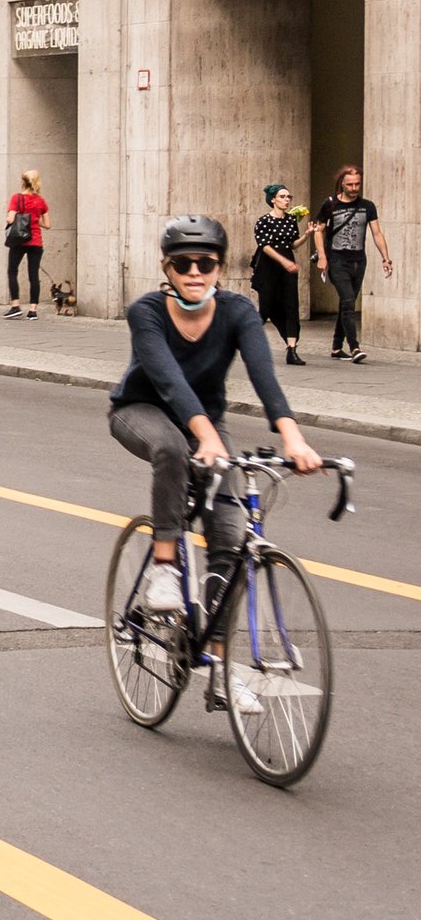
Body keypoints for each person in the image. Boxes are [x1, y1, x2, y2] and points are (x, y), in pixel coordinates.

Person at [108, 217, 320, 712]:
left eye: (206, 263)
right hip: (142, 412)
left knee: (230, 536)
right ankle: (164, 566)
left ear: (220, 269)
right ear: (168, 269)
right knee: (172, 450)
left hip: (209, 426)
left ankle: (222, 671)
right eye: (184, 264)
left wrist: (291, 435)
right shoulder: (146, 312)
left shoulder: (238, 312)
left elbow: (264, 375)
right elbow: (166, 382)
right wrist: (202, 433)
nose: (195, 272)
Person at [312, 164, 392, 363]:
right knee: (348, 301)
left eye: (357, 184)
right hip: (337, 259)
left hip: (358, 260)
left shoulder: (368, 206)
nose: (354, 188)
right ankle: (355, 347)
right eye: (350, 184)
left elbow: (377, 233)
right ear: (342, 184)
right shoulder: (330, 204)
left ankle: (336, 347)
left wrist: (385, 258)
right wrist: (322, 256)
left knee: (346, 303)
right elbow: (318, 231)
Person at [252, 183, 310, 366]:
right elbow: (265, 246)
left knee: (291, 306)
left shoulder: (291, 220)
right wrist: (284, 262)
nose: (287, 200)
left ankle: (291, 349)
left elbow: (292, 244)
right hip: (268, 266)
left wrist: (307, 236)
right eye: (283, 197)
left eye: (288, 197)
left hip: (288, 265)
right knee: (267, 308)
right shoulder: (263, 221)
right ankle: (247, 338)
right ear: (273, 200)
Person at [3, 170, 51, 320]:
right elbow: (48, 224)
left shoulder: (16, 198)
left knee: (12, 271)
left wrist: (11, 217)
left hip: (19, 241)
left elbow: (11, 219)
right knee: (33, 276)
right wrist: (35, 221)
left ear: (23, 182)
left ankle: (15, 306)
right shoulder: (40, 201)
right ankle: (33, 310)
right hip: (36, 241)